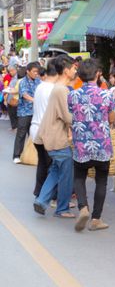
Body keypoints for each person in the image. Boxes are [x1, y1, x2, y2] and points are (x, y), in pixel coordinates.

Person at [69, 59, 115, 232]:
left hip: (81, 144)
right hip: (102, 144)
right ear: (97, 74)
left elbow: (71, 115)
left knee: (79, 177)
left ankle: (83, 208)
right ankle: (96, 219)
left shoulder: (73, 94)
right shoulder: (107, 94)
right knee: (101, 181)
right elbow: (111, 118)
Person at [33, 55, 77, 218]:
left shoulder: (57, 88)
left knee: (56, 171)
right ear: (66, 71)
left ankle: (41, 200)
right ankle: (62, 208)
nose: (75, 71)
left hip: (50, 136)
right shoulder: (61, 90)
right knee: (66, 173)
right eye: (73, 68)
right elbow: (67, 116)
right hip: (57, 138)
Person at [30, 59, 58, 197]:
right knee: (52, 165)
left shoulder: (40, 86)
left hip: (36, 130)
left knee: (43, 163)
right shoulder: (54, 89)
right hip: (46, 132)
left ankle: (39, 191)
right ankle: (48, 196)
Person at [13, 61, 41, 163]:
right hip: (24, 112)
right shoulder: (23, 82)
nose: (36, 73)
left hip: (35, 112)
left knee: (33, 135)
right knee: (21, 134)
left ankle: (32, 157)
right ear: (28, 71)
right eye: (34, 71)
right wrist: (35, 100)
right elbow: (24, 94)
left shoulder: (39, 81)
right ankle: (16, 155)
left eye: (37, 72)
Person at [5, 65, 20, 130]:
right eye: (9, 71)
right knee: (11, 113)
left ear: (15, 70)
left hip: (14, 98)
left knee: (14, 113)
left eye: (11, 71)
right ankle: (13, 126)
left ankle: (16, 127)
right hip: (9, 97)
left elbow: (17, 89)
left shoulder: (18, 78)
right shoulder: (13, 78)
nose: (10, 72)